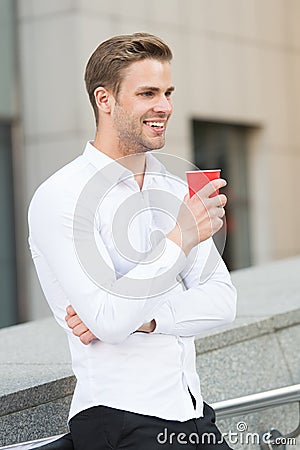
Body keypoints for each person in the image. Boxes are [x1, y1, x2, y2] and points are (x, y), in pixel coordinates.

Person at [28, 32, 236, 449]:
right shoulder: (62, 196)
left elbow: (222, 301)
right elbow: (107, 320)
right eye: (147, 93)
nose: (164, 107)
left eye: (167, 92)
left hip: (193, 415)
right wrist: (180, 238)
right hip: (121, 422)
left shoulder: (174, 189)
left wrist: (142, 318)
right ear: (105, 100)